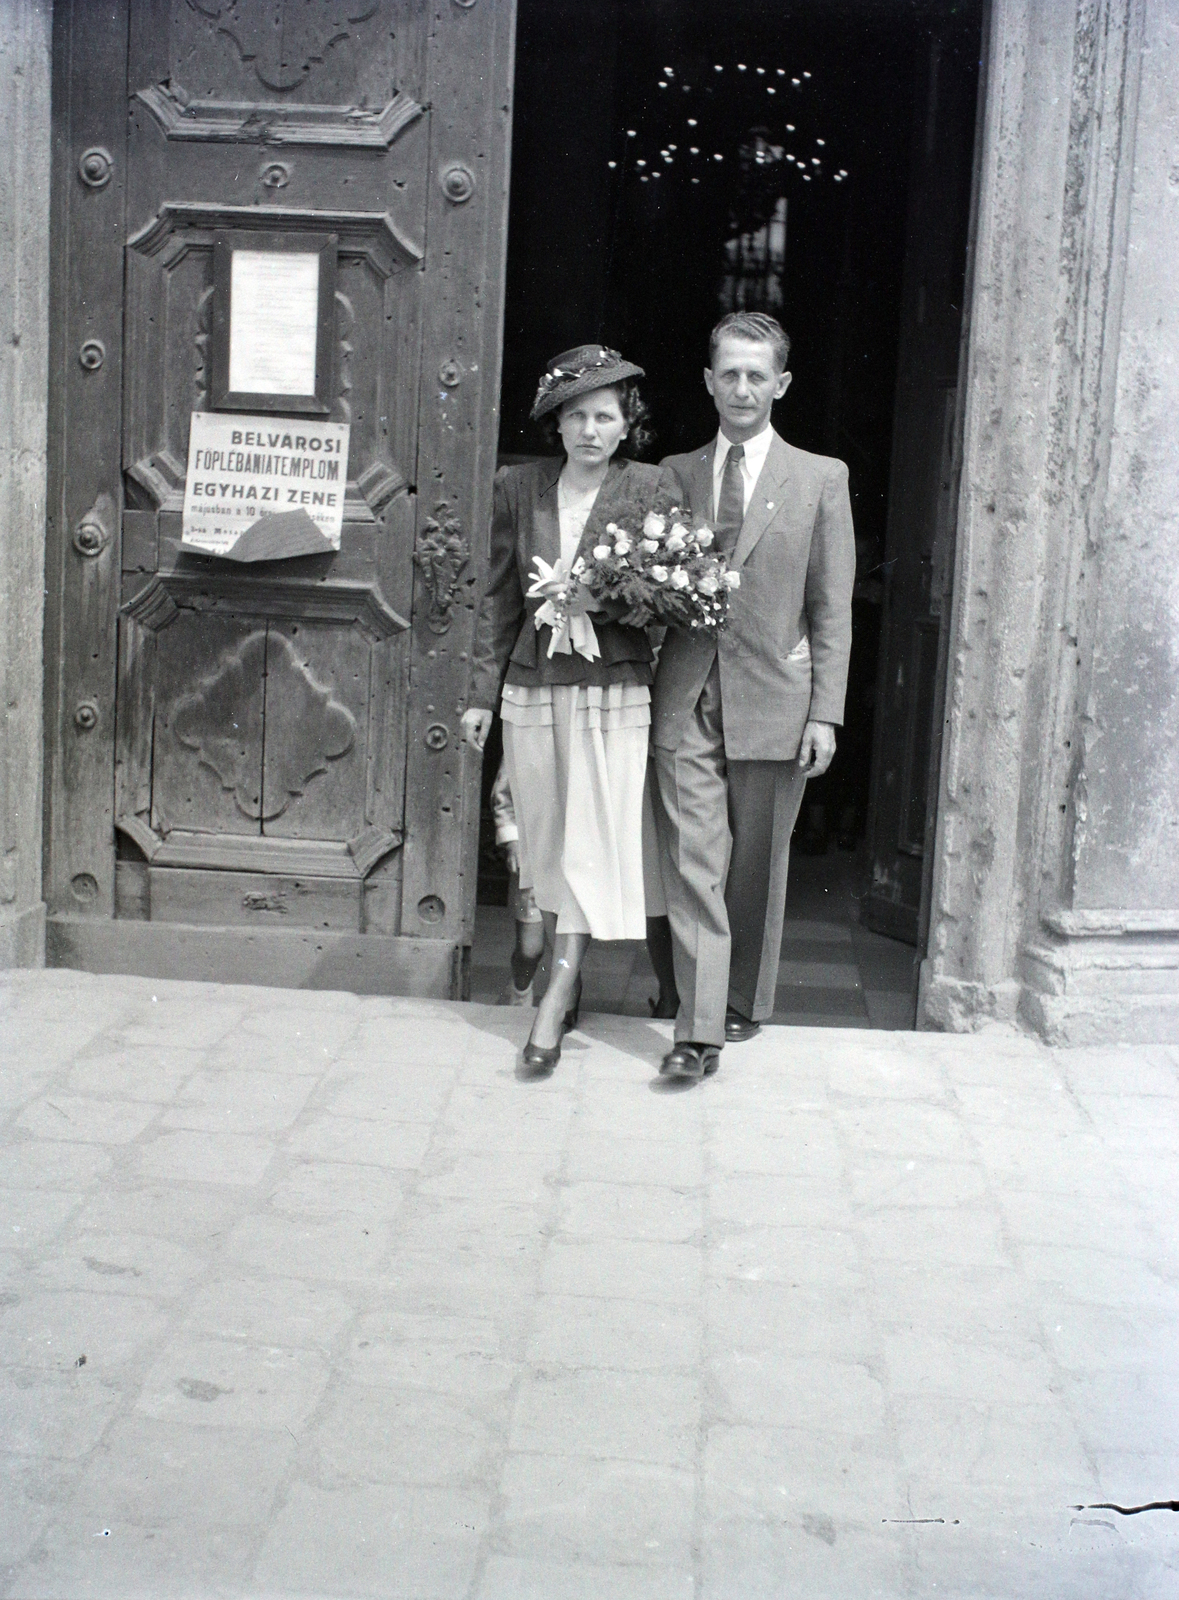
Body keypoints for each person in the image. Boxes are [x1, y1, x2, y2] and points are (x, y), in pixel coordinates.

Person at [650, 311, 855, 1081]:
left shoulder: (817, 478)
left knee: (754, 863)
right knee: (695, 856)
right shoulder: (670, 474)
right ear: (708, 382)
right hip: (686, 693)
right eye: (727, 373)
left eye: (755, 375)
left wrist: (826, 713)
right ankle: (698, 1024)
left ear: (781, 384)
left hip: (776, 694)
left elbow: (830, 607)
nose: (741, 388)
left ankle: (740, 999)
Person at [462, 345, 679, 1073]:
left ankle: (555, 998)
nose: (590, 429)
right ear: (556, 424)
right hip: (533, 684)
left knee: (590, 839)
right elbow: (495, 597)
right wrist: (479, 695)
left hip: (611, 690)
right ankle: (546, 948)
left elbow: (673, 601)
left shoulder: (650, 488)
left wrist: (608, 598)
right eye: (577, 416)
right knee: (548, 835)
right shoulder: (518, 487)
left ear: (626, 426)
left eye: (605, 416)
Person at [489, 759, 546, 1005]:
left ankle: (565, 1003)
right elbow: (504, 789)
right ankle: (520, 990)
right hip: (535, 852)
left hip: (578, 854)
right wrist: (512, 838)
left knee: (570, 941)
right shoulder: (532, 728)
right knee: (529, 949)